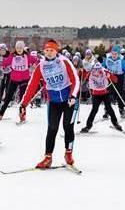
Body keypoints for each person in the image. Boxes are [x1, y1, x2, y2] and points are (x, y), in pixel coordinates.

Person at [19, 40, 80, 169]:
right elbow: (32, 85)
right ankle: (48, 157)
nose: (49, 53)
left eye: (51, 50)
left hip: (69, 100)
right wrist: (24, 103)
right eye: (47, 50)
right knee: (52, 128)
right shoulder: (41, 65)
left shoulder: (64, 61)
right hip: (54, 101)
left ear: (56, 51)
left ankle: (68, 153)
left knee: (67, 126)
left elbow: (75, 79)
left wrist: (73, 95)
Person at [0, 41, 38, 121]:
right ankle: (0, 114)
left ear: (23, 48)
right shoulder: (12, 56)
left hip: (24, 79)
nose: (19, 49)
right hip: (14, 79)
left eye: (20, 48)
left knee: (22, 98)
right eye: (17, 48)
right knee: (8, 97)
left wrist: (34, 65)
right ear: (15, 48)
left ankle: (22, 114)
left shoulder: (27, 56)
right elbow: (5, 63)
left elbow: (36, 61)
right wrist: (2, 66)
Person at [81, 62, 122, 133]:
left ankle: (115, 124)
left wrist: (110, 76)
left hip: (105, 93)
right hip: (96, 94)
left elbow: (115, 79)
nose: (97, 71)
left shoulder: (104, 71)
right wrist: (82, 71)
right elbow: (84, 76)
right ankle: (88, 126)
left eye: (98, 69)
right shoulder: (91, 72)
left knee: (109, 108)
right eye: (95, 69)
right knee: (94, 110)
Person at [104, 45, 125, 119]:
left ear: (118, 54)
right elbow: (102, 67)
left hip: (119, 78)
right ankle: (107, 110)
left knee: (120, 95)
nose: (114, 55)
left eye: (116, 54)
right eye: (113, 53)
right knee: (108, 95)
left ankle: (121, 109)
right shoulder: (107, 58)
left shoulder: (122, 60)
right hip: (110, 77)